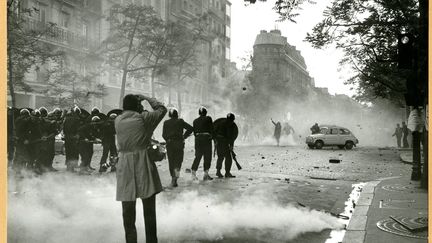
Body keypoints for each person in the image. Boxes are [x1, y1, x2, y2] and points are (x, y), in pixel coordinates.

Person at [115, 94, 167, 243]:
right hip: (142, 162)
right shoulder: (144, 118)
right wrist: (146, 97)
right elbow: (162, 109)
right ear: (138, 106)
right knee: (149, 210)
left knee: (128, 212)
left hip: (124, 165)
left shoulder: (118, 120)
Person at [162, 108, 193, 187]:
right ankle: (175, 178)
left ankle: (173, 178)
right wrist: (184, 136)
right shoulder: (180, 121)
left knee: (171, 161)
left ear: (169, 115)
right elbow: (190, 128)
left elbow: (163, 134)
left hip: (170, 144)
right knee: (178, 161)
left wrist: (167, 139)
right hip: (179, 144)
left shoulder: (166, 122)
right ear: (176, 114)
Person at [191, 106, 214, 181]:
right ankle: (205, 174)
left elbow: (194, 133)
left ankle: (193, 174)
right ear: (205, 113)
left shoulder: (195, 121)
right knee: (207, 157)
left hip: (198, 140)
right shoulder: (208, 118)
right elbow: (212, 129)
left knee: (198, 156)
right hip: (206, 140)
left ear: (199, 113)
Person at [214, 113, 238, 178]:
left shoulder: (221, 123)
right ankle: (227, 173)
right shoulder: (231, 125)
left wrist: (215, 141)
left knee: (220, 157)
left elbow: (214, 132)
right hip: (223, 143)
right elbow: (232, 137)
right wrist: (231, 146)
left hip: (219, 142)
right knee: (228, 158)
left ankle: (218, 172)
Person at [63, 107, 81, 172]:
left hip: (67, 137)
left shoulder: (66, 119)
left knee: (68, 152)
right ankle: (72, 167)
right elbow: (78, 129)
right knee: (74, 152)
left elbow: (64, 129)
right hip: (73, 138)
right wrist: (77, 135)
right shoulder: (77, 119)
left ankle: (68, 167)